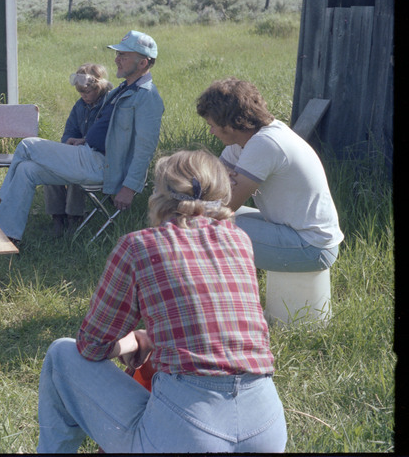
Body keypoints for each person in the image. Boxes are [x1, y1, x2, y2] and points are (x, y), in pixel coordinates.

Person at [37, 149, 288, 453]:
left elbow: (92, 346)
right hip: (266, 423)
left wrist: (130, 343)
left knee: (61, 354)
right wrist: (151, 339)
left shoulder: (138, 246)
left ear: (159, 195)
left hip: (189, 427)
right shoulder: (239, 240)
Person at [0, 31, 164, 242]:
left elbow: (145, 148)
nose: (116, 60)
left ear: (142, 63)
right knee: (26, 169)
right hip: (89, 154)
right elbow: (113, 133)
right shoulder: (124, 89)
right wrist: (84, 140)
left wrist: (129, 187)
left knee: (27, 145)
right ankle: (5, 238)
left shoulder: (147, 97)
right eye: (118, 54)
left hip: (102, 165)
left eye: (123, 55)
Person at [196, 77, 344, 272]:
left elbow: (225, 203)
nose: (211, 131)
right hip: (290, 230)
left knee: (203, 226)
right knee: (200, 215)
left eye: (212, 125)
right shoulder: (245, 140)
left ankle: (220, 294)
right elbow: (212, 182)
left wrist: (186, 204)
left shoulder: (265, 143)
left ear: (233, 124)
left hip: (311, 247)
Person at [43, 63, 113, 236]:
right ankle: (57, 216)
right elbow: (69, 131)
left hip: (102, 158)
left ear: (100, 87)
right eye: (80, 92)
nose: (83, 96)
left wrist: (83, 141)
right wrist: (68, 142)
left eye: (87, 92)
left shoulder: (110, 103)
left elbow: (109, 138)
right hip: (81, 153)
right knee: (49, 166)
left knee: (75, 169)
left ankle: (74, 216)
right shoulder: (80, 106)